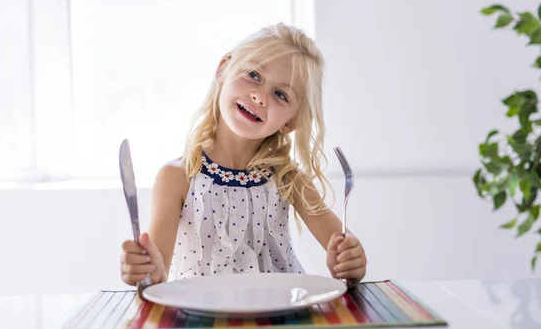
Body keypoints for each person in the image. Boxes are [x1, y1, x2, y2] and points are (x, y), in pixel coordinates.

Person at [120, 23, 367, 287]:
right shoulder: (177, 177)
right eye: (253, 75)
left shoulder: (290, 180)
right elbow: (156, 277)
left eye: (280, 94)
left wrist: (350, 260)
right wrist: (145, 267)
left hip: (280, 320)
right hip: (201, 319)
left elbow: (345, 252)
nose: (260, 97)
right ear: (223, 69)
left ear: (290, 122)